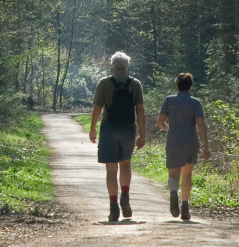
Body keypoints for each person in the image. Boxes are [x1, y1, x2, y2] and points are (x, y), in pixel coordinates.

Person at [88, 51, 145, 221]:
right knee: (125, 165)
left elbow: (97, 108)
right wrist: (142, 134)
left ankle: (114, 207)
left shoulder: (104, 83)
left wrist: (92, 128)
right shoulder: (135, 84)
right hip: (128, 129)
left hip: (109, 128)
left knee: (111, 169)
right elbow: (140, 110)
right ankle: (125, 198)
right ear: (127, 66)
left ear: (112, 66)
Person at [156, 72, 210, 221]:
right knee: (187, 174)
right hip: (190, 140)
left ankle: (174, 193)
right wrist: (206, 146)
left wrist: (170, 129)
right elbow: (200, 124)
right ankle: (185, 206)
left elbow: (159, 122)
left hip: (174, 139)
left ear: (177, 85)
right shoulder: (196, 103)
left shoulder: (168, 100)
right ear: (190, 86)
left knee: (173, 174)